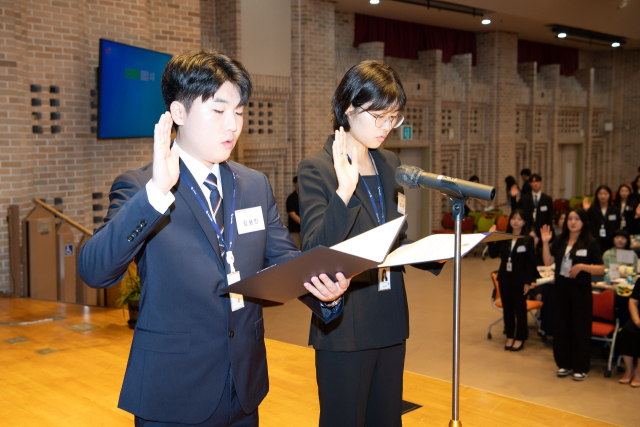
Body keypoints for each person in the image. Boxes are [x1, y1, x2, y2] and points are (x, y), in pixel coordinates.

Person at [78, 50, 351, 426]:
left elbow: (285, 260)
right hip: (174, 392)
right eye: (218, 111)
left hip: (244, 386)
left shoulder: (254, 185)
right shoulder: (142, 186)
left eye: (239, 112)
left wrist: (326, 292)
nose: (232, 126)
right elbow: (95, 270)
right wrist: (157, 194)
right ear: (178, 113)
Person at [297, 60, 443, 427]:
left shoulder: (390, 162)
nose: (386, 127)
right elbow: (315, 249)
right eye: (378, 116)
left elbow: (393, 232)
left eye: (393, 117)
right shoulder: (317, 168)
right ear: (348, 108)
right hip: (346, 323)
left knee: (388, 420)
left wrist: (432, 253)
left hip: (391, 318)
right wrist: (344, 192)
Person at [541, 208, 604, 381]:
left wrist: (582, 266)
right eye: (570, 219)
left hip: (580, 290)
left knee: (580, 328)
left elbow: (601, 268)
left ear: (583, 222)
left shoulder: (590, 242)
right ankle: (563, 364)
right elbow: (548, 262)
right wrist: (546, 242)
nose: (573, 222)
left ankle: (581, 367)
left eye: (577, 219)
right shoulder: (561, 240)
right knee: (561, 327)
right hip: (561, 288)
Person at [487, 209, 537, 352]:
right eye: (513, 218)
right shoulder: (504, 237)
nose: (516, 221)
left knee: (520, 310)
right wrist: (491, 237)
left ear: (524, 222)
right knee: (508, 310)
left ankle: (520, 337)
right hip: (504, 279)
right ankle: (510, 335)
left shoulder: (528, 239)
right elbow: (492, 254)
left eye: (519, 219)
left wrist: (528, 282)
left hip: (520, 281)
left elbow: (530, 263)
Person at [616, 276, 640, 386]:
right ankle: (629, 370)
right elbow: (633, 302)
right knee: (625, 331)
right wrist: (637, 321)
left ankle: (639, 372)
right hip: (638, 317)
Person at [584, 185, 620, 253]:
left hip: (610, 241)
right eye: (600, 194)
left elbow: (617, 225)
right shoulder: (592, 209)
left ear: (609, 195)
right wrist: (586, 211)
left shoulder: (615, 210)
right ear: (597, 195)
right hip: (595, 240)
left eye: (605, 194)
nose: (603, 196)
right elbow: (586, 223)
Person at [520, 173, 553, 239]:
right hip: (528, 227)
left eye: (537, 181)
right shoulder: (525, 198)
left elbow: (549, 217)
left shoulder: (547, 199)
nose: (535, 184)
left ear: (541, 183)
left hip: (542, 229)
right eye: (533, 182)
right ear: (530, 184)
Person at [286, 176, 301, 249]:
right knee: (296, 251)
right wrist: (303, 223)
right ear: (295, 184)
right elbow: (292, 214)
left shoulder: (305, 197)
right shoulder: (291, 197)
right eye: (299, 182)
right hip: (295, 230)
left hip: (305, 230)